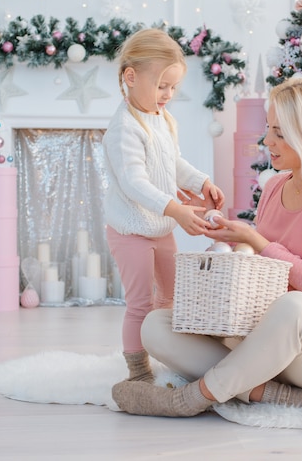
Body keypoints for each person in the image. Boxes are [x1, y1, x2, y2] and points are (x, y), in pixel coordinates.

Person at [111, 75, 302, 417]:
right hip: (260, 343)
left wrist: (254, 239)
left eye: (280, 133)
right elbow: (261, 264)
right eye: (270, 128)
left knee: (294, 306)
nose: (268, 140)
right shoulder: (275, 186)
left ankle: (189, 399)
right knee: (155, 325)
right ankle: (281, 396)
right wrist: (230, 239)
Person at [102, 28, 225, 384]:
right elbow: (133, 182)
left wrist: (201, 181)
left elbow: (174, 163)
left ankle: (168, 353)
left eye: (173, 87)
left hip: (160, 229)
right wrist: (174, 208)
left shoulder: (161, 120)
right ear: (130, 77)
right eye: (161, 86)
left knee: (170, 299)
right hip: (130, 232)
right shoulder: (124, 128)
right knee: (140, 304)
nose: (168, 94)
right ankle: (138, 370)